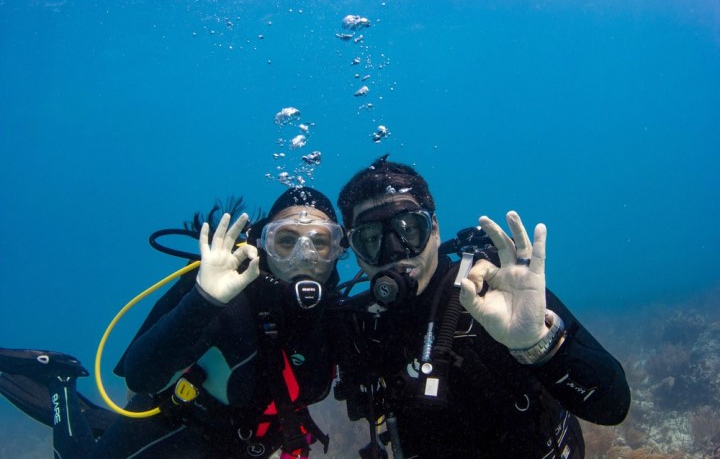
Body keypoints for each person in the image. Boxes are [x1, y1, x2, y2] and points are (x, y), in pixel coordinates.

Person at [0, 187, 345, 459]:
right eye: (286, 241)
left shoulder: (338, 317)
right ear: (264, 245)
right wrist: (204, 301)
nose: (305, 256)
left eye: (320, 242)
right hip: (173, 428)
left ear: (339, 249)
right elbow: (140, 377)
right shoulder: (227, 299)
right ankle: (60, 378)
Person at [332, 155, 631, 458]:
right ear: (354, 251)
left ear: (434, 229)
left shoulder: (496, 289)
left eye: (410, 229)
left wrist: (538, 344)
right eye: (370, 239)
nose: (394, 252)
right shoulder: (359, 325)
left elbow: (613, 407)